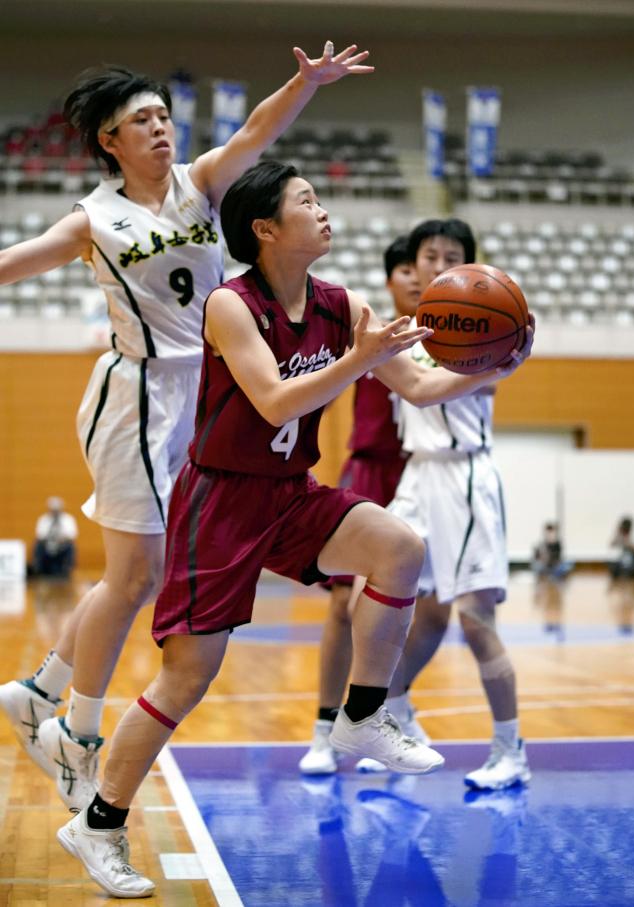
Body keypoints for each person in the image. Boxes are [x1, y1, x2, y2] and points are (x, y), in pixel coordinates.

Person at [55, 161, 533, 898]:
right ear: (266, 228)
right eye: (307, 201)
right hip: (218, 504)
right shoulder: (229, 304)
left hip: (289, 493)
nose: (324, 210)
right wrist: (358, 360)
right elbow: (275, 403)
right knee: (187, 678)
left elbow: (421, 384)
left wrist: (494, 362)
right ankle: (98, 820)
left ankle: (363, 715)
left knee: (399, 547)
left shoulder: (341, 303)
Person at [0, 40, 377, 810]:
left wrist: (304, 84)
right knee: (134, 574)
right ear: (111, 140)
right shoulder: (92, 220)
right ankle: (76, 731)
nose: (161, 128)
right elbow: (16, 261)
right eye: (143, 120)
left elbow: (255, 137)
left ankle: (39, 690)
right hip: (139, 396)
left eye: (166, 115)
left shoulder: (199, 185)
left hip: (204, 391)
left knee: (143, 575)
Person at [355, 218, 532, 790]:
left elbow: (491, 378)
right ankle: (396, 717)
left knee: (476, 621)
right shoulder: (402, 332)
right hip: (416, 475)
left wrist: (506, 358)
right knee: (402, 609)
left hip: (465, 476)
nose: (437, 264)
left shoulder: (483, 328)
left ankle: (511, 749)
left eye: (451, 255)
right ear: (415, 263)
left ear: (470, 270)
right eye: (429, 254)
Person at [299, 235, 420, 774]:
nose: (417, 277)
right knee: (343, 607)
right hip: (371, 470)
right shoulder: (368, 330)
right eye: (405, 269)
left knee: (412, 608)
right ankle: (326, 728)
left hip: (420, 474)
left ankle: (388, 714)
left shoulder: (456, 340)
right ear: (390, 279)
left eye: (429, 266)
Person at [29, 497, 78, 579]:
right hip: (46, 545)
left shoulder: (68, 519)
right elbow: (39, 535)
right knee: (37, 545)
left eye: (57, 510)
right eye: (53, 510)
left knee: (71, 546)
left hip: (63, 546)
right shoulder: (43, 519)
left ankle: (67, 569)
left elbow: (72, 535)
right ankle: (38, 568)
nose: (55, 512)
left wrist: (61, 539)